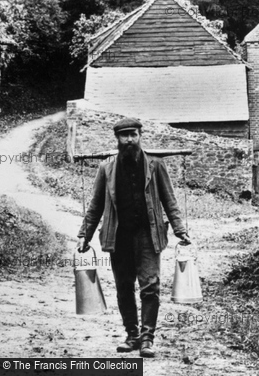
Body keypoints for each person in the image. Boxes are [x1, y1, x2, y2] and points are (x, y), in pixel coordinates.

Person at [76, 117, 190, 358]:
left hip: (148, 235)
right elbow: (95, 205)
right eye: (124, 135)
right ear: (117, 139)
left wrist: (180, 229)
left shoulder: (155, 165)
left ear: (140, 137)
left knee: (151, 286)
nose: (129, 139)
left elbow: (169, 200)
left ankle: (148, 339)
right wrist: (84, 235)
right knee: (124, 287)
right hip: (119, 237)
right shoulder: (106, 168)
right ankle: (132, 336)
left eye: (133, 135)